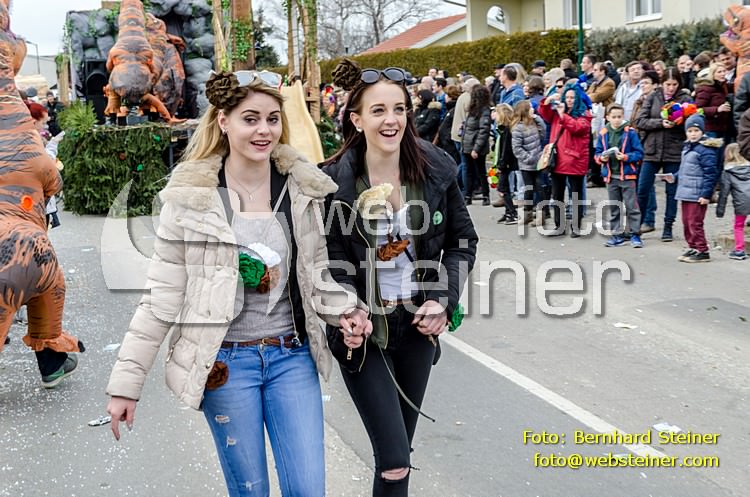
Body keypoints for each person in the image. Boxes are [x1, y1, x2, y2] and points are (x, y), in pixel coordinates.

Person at [106, 70, 369, 497]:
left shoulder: (301, 190)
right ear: (224, 121)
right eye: (251, 119)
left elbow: (317, 275)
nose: (264, 130)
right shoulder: (191, 200)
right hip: (226, 366)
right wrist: (125, 386)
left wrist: (348, 310)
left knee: (308, 489)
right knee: (250, 490)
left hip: (291, 357)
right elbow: (160, 300)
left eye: (272, 119)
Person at [322, 61, 478, 497]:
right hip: (363, 332)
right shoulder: (332, 183)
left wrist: (442, 299)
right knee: (393, 461)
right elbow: (330, 257)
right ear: (357, 119)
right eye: (378, 110)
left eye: (399, 109)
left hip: (416, 330)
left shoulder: (435, 169)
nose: (391, 120)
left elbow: (463, 241)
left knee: (400, 457)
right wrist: (347, 306)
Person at [0, 6, 84, 387]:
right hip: (23, 243)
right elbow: (51, 178)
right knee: (47, 275)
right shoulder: (23, 133)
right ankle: (51, 360)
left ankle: (51, 361)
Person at [634, 67, 693, 241]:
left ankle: (668, 227)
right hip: (651, 150)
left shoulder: (685, 99)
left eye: (674, 84)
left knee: (671, 191)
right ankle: (637, 225)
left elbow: (693, 123)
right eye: (668, 84)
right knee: (643, 189)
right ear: (662, 83)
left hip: (673, 150)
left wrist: (680, 121)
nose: (671, 88)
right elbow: (640, 121)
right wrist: (661, 123)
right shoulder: (653, 96)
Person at [537, 82, 593, 237]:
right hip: (558, 159)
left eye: (572, 97)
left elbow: (577, 128)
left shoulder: (584, 115)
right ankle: (559, 226)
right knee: (557, 195)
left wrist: (563, 115)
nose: (569, 100)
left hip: (575, 160)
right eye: (567, 97)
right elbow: (544, 114)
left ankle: (576, 226)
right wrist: (547, 101)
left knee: (575, 195)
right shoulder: (557, 113)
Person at [665, 114, 720, 262]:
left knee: (695, 222)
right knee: (686, 221)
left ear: (702, 131)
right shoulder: (687, 148)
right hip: (685, 191)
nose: (693, 134)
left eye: (696, 131)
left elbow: (710, 174)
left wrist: (706, 195)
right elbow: (685, 169)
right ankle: (693, 246)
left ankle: (702, 250)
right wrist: (673, 177)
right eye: (690, 131)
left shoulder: (706, 150)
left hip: (697, 193)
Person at [595, 103, 645, 247]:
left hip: (627, 176)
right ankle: (617, 235)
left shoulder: (630, 132)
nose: (617, 120)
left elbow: (639, 153)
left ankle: (635, 234)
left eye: (619, 117)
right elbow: (597, 152)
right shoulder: (603, 133)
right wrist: (601, 158)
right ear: (607, 117)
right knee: (614, 207)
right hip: (611, 177)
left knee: (632, 207)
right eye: (614, 117)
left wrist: (626, 157)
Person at [510, 100, 546, 224]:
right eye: (530, 108)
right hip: (526, 165)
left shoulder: (533, 124)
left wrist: (537, 118)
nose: (533, 110)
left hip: (538, 163)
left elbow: (543, 133)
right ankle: (528, 212)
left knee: (540, 187)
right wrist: (529, 158)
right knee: (529, 188)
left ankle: (542, 214)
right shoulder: (518, 128)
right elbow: (517, 148)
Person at [717, 143, 750, 260]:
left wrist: (720, 211)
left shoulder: (728, 172)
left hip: (741, 203)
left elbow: (724, 193)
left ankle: (739, 250)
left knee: (738, 226)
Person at [461, 84, 493, 205]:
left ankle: (485, 195)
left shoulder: (484, 111)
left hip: (474, 145)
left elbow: (483, 130)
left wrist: (476, 148)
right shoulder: (473, 110)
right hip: (468, 144)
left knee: (480, 172)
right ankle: (468, 195)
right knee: (469, 172)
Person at [694, 63, 731, 145]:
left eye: (724, 71)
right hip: (710, 128)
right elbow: (698, 109)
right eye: (719, 72)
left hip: (723, 128)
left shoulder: (724, 87)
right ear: (712, 74)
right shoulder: (706, 89)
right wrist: (717, 109)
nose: (722, 74)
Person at [434, 84, 461, 165]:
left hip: (449, 143)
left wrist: (447, 137)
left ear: (450, 96)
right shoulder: (449, 108)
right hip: (445, 142)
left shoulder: (454, 109)